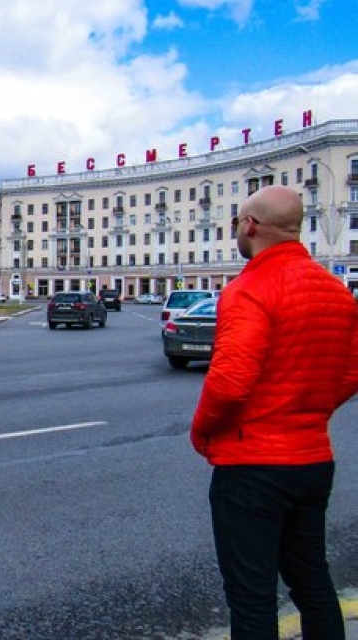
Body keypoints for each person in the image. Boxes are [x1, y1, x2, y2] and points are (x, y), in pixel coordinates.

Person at [191, 185, 358, 638]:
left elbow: (229, 383)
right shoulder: (337, 292)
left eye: (237, 223)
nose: (236, 232)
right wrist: (312, 409)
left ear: (251, 225)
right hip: (312, 460)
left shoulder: (249, 289)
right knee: (312, 580)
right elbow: (351, 372)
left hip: (252, 468)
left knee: (252, 595)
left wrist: (202, 434)